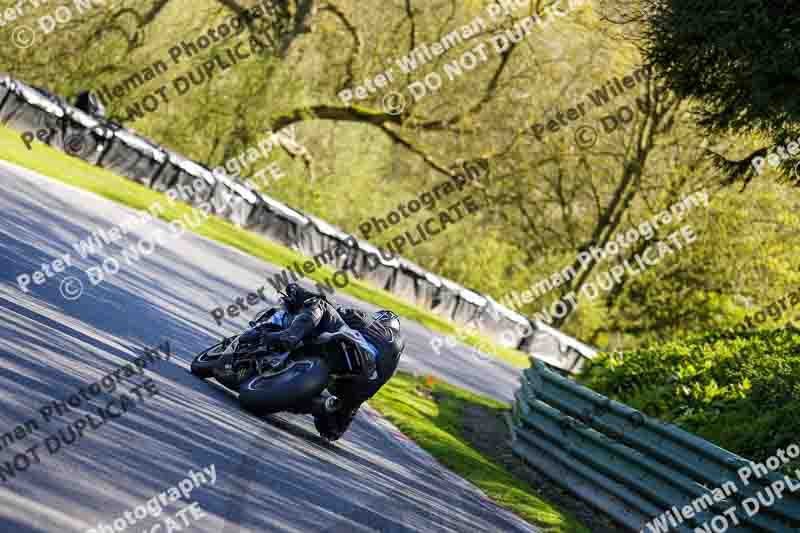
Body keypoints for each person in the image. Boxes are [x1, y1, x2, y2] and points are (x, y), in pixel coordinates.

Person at [261, 283, 405, 440]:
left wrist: (299, 291)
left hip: (348, 349)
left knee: (319, 305)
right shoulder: (393, 358)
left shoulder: (368, 321)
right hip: (359, 384)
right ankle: (321, 404)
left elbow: (331, 305)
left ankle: (290, 336)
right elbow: (334, 430)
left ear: (380, 319)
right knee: (332, 428)